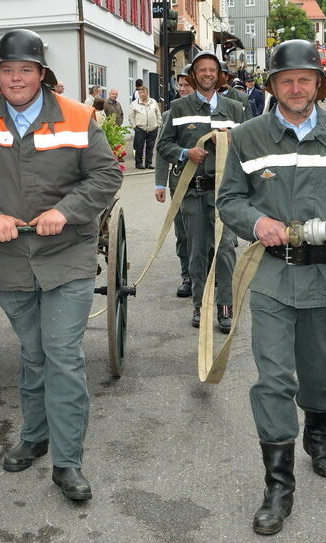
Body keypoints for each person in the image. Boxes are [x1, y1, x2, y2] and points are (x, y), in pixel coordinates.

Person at [0, 29, 121, 502]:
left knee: (62, 353)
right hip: (9, 257)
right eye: (7, 70)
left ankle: (67, 461)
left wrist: (67, 210)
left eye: (25, 69)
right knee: (34, 352)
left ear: (41, 74)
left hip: (67, 255)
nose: (16, 78)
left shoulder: (78, 116)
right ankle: (36, 436)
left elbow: (106, 174)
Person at [217, 39, 326, 536]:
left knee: (322, 371)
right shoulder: (247, 137)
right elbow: (230, 199)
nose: (295, 88)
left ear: (319, 84)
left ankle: (318, 436)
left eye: (304, 79)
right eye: (286, 80)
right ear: (272, 85)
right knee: (273, 379)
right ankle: (278, 485)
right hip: (273, 276)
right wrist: (257, 221)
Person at [156, 50, 245, 332]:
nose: (207, 74)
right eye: (202, 69)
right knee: (197, 252)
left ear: (219, 76)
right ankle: (200, 305)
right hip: (193, 193)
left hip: (224, 194)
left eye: (212, 70)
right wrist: (186, 153)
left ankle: (225, 305)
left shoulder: (235, 109)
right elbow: (163, 145)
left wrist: (231, 142)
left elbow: (250, 147)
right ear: (194, 76)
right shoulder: (179, 107)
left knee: (226, 250)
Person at [155, 65, 195, 299]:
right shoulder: (169, 115)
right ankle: (187, 275)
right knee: (182, 230)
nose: (182, 89)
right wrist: (160, 183)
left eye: (186, 85)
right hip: (180, 180)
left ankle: (211, 271)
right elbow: (161, 151)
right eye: (179, 85)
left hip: (209, 181)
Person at [128, 85, 161, 169]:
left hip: (153, 128)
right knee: (139, 147)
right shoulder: (134, 104)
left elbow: (158, 113)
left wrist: (158, 124)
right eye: (140, 93)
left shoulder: (153, 102)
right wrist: (134, 127)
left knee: (150, 147)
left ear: (147, 93)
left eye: (143, 92)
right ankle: (138, 163)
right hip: (140, 129)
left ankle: (148, 163)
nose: (142, 94)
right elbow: (131, 117)